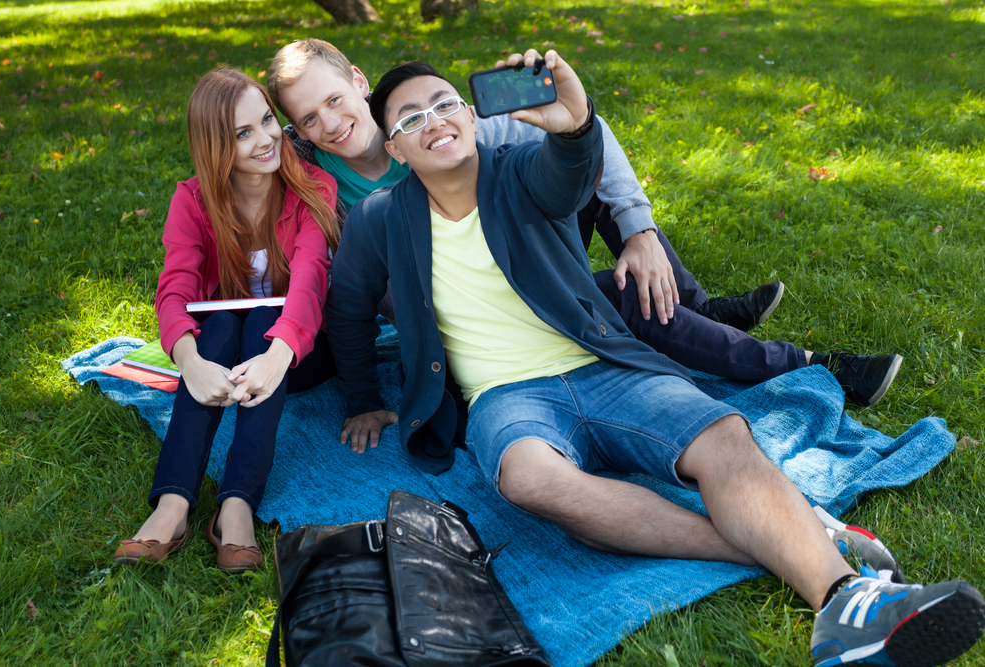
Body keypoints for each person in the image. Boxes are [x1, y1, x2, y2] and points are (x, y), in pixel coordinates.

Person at [324, 52, 984, 667]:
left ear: (471, 114)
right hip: (507, 397)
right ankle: (799, 539)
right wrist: (361, 397)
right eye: (410, 119)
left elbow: (571, 171)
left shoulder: (521, 167)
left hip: (604, 366)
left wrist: (576, 124)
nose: (432, 122)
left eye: (443, 104)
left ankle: (843, 601)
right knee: (527, 479)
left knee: (725, 436)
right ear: (398, 149)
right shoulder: (380, 218)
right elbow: (348, 308)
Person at [266, 38, 904, 417]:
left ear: (358, 80)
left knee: (571, 176)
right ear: (295, 128)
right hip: (479, 323)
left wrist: (639, 231)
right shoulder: (316, 189)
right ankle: (746, 338)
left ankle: (717, 318)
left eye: (335, 100)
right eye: (308, 117)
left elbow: (585, 143)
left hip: (533, 276)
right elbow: (349, 291)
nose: (330, 123)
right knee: (614, 297)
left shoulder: (460, 128)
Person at [113, 68, 340, 571]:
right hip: (225, 347)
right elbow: (175, 289)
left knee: (264, 310)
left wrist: (277, 355)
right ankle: (173, 505)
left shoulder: (313, 187)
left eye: (267, 121)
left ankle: (236, 502)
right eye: (243, 133)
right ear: (217, 146)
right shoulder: (193, 199)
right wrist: (190, 362)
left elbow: (309, 280)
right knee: (213, 326)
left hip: (300, 352)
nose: (266, 140)